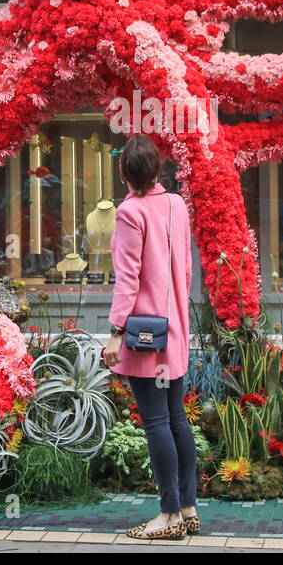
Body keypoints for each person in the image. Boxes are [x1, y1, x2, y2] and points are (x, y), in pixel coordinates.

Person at [103, 135, 198, 541]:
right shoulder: (176, 204)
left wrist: (114, 333)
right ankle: (189, 509)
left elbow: (127, 280)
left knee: (157, 421)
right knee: (176, 418)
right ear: (158, 171)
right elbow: (187, 267)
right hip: (174, 327)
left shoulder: (129, 213)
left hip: (145, 333)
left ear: (124, 173)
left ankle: (169, 515)